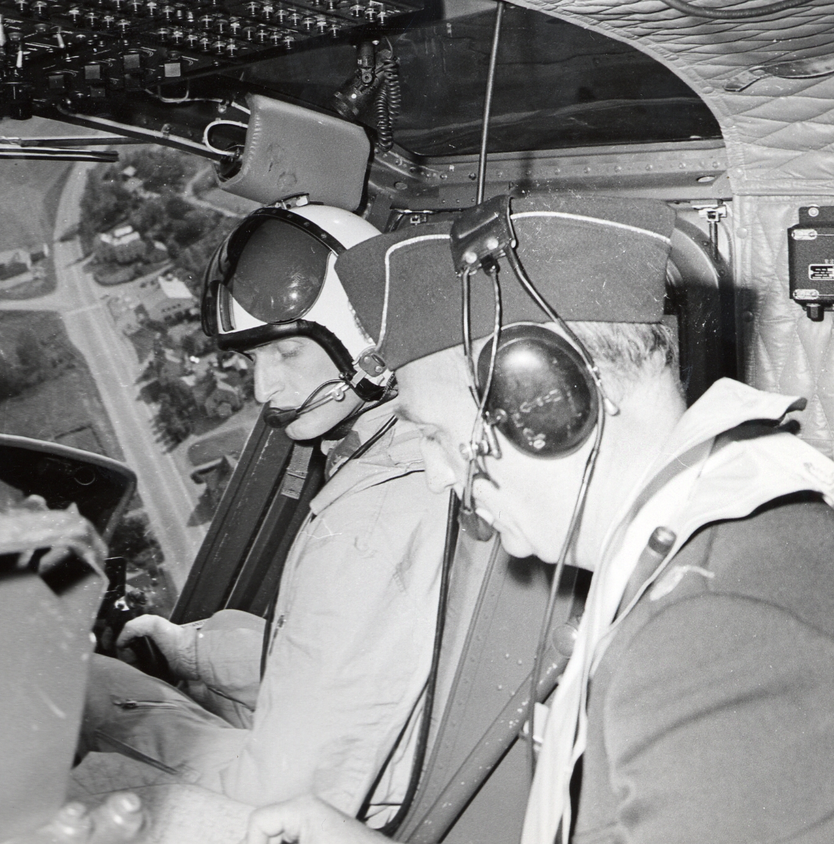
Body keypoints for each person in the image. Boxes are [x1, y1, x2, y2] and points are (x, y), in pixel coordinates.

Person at [241, 193, 834, 844]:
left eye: (437, 435)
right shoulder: (700, 560)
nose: (438, 474)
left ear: (552, 402)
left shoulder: (713, 633)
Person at [76, 199, 471, 825]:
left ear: (367, 342)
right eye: (252, 358)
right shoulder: (397, 454)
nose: (263, 391)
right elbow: (327, 663)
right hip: (347, 760)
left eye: (286, 354)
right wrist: (188, 651)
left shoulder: (366, 528)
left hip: (312, 810)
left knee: (81, 711)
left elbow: (276, 805)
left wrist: (95, 746)